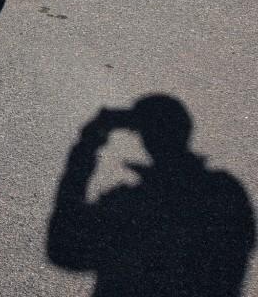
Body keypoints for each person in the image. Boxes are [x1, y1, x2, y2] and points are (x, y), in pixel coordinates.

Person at [47, 95, 255, 296]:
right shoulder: (227, 192)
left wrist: (87, 145)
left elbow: (62, 249)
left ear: (143, 138)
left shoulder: (129, 205)